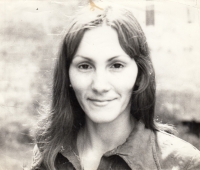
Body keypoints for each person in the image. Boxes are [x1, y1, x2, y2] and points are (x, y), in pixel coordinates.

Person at [31, 2, 200, 170]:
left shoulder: (182, 163)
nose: (99, 85)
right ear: (67, 74)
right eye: (84, 66)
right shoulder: (50, 150)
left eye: (116, 65)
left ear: (140, 74)